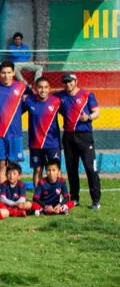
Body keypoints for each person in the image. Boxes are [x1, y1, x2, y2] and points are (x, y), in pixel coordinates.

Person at [56, 72, 101, 210]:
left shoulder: (87, 94)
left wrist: (88, 117)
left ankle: (95, 200)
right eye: (65, 82)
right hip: (69, 137)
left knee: (90, 168)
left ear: (76, 81)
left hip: (85, 136)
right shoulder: (60, 96)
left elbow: (97, 112)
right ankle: (74, 198)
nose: (68, 84)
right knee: (71, 168)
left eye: (70, 81)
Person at [0, 61, 30, 183]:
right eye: (3, 73)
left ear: (14, 73)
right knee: (1, 164)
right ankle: (2, 194)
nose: (6, 75)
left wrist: (16, 112)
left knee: (13, 166)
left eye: (9, 72)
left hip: (15, 133)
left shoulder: (22, 87)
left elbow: (31, 101)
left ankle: (13, 194)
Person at [23, 77, 62, 186]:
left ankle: (58, 196)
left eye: (45, 87)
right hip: (36, 143)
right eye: (40, 87)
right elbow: (16, 112)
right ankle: (37, 197)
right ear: (35, 89)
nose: (43, 90)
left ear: (49, 89)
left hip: (52, 143)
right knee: (37, 170)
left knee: (55, 170)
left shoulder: (56, 101)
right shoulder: (29, 101)